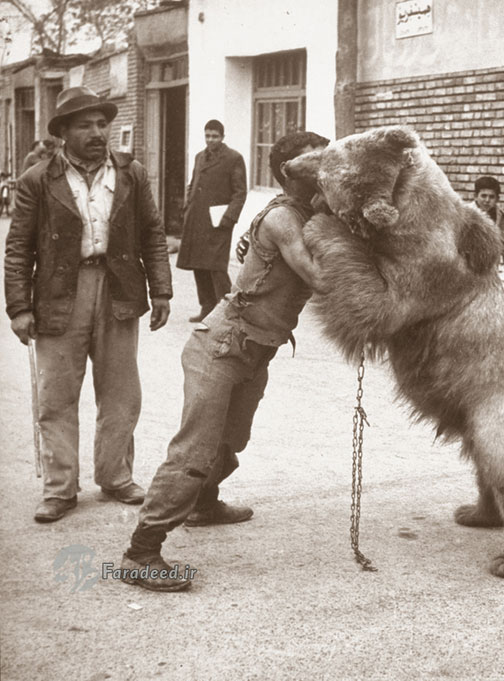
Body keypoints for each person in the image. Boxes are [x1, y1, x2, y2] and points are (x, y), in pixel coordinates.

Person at [120, 130, 330, 591]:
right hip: (223, 343)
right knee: (194, 449)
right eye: (314, 161)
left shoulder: (310, 212)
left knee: (232, 438)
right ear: (288, 174)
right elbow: (319, 276)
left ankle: (204, 503)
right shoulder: (283, 219)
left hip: (257, 348)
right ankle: (142, 550)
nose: (324, 166)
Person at [4, 85, 173, 522]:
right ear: (63, 132)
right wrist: (19, 307)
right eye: (86, 125)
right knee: (57, 396)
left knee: (121, 392)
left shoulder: (130, 172)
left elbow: (152, 234)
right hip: (60, 295)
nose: (98, 132)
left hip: (118, 290)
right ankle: (60, 489)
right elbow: (18, 247)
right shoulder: (37, 180)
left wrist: (162, 290)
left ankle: (115, 477)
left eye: (102, 124)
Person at [176, 119, 247, 322]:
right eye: (207, 135)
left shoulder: (233, 158)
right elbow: (192, 183)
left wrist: (228, 218)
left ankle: (227, 311)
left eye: (215, 136)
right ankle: (206, 307)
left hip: (218, 222)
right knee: (199, 265)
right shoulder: (200, 157)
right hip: (197, 219)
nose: (211, 140)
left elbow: (240, 192)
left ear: (222, 137)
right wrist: (187, 206)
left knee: (216, 267)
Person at [473, 176, 504, 277]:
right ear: (475, 196)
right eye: (483, 196)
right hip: (469, 269)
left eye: (491, 197)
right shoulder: (467, 214)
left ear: (497, 199)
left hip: (490, 268)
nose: (487, 200)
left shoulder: (499, 217)